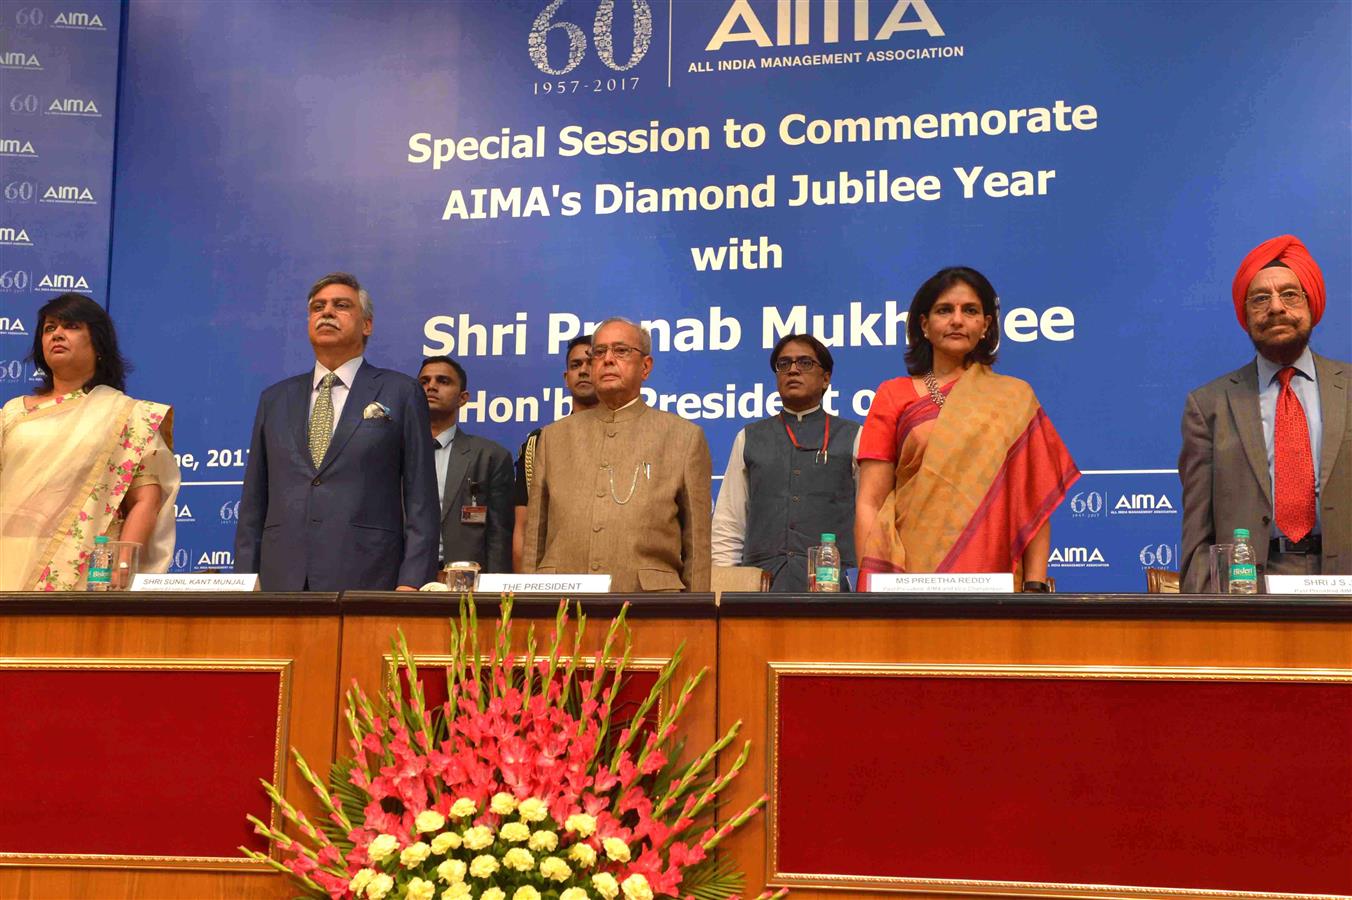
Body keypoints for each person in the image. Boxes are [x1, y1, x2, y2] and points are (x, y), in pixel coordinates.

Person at [854, 267, 1079, 591]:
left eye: (970, 310)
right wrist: (873, 589)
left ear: (986, 325)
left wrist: (1035, 586)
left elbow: (1034, 506)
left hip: (993, 581)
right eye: (944, 310)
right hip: (906, 577)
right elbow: (869, 504)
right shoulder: (893, 394)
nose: (957, 320)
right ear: (924, 325)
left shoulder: (1015, 397)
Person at [234, 273, 438, 591]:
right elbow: (253, 500)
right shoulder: (274, 399)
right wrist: (245, 579)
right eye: (318, 307)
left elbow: (421, 499)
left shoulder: (401, 391)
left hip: (369, 575)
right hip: (280, 579)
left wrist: (412, 581)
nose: (327, 312)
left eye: (341, 305)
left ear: (366, 324)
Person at [1179, 235, 1350, 591]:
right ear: (1245, 314)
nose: (1275, 308)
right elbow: (1197, 534)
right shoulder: (1209, 404)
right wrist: (1205, 609)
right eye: (1260, 298)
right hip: (1248, 592)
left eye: (1289, 294)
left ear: (1310, 304)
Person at [0, 293, 179, 591]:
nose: (57, 333)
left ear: (98, 343)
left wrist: (121, 568)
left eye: (71, 326)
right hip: (9, 559)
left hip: (85, 570)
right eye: (49, 328)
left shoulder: (129, 415)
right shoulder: (13, 413)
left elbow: (145, 500)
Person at [523, 317, 712, 592]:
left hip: (649, 606)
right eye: (599, 352)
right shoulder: (553, 437)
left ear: (645, 367)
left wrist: (698, 621)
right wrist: (530, 609)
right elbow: (534, 540)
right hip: (560, 607)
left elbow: (698, 546)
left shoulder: (683, 437)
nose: (607, 360)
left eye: (621, 351)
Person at [712, 334, 861, 590]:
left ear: (826, 379)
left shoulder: (854, 435)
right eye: (784, 364)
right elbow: (729, 522)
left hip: (831, 591)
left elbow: (869, 517)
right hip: (758, 588)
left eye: (805, 363)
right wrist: (725, 587)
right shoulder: (748, 437)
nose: (793, 369)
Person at [419, 355, 513, 574]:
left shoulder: (490, 456)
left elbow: (499, 537)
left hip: (465, 580)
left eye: (443, 381)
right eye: (424, 382)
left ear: (463, 398)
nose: (431, 386)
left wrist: (493, 594)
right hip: (404, 581)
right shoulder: (395, 451)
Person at [511, 334, 598, 571]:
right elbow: (524, 527)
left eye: (591, 363)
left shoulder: (634, 437)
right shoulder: (539, 443)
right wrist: (523, 596)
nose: (583, 370)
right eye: (575, 365)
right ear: (566, 378)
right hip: (557, 577)